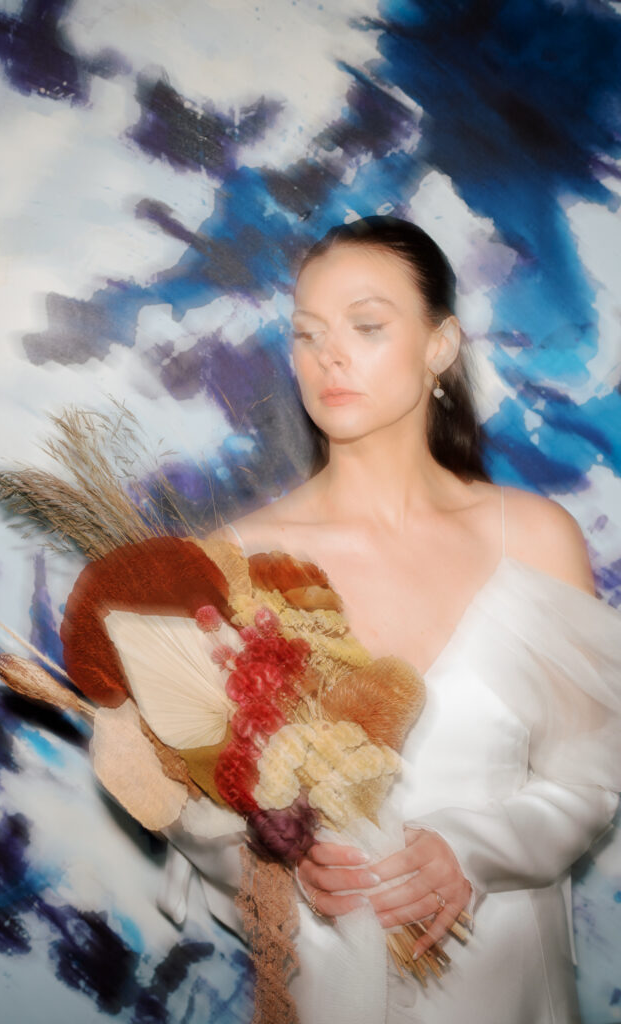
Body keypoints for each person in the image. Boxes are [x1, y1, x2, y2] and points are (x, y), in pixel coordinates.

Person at [157, 215, 621, 1023]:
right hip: (324, 989)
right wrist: (272, 857)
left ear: (441, 346)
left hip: (508, 989)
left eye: (367, 326)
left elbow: (589, 781)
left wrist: (472, 853)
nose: (328, 355)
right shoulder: (231, 561)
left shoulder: (537, 538)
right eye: (307, 334)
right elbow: (189, 804)